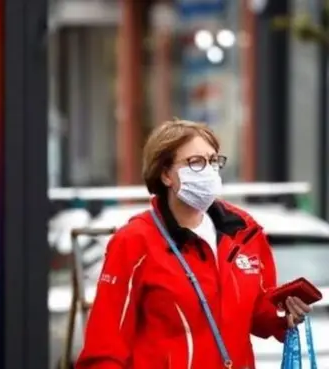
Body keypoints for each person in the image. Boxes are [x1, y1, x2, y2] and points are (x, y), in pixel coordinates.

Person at [76, 120, 312, 369]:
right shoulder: (134, 241)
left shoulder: (245, 232)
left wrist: (284, 315)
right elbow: (104, 349)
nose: (209, 171)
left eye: (213, 161)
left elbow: (258, 315)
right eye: (195, 163)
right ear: (166, 174)